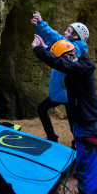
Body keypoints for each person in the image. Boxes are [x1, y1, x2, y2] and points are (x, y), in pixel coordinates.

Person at [32, 36, 97, 194]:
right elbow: (62, 58)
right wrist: (47, 47)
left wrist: (40, 51)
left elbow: (59, 62)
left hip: (86, 125)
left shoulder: (77, 69)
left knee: (86, 171)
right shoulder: (83, 62)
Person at [31, 11, 89, 145]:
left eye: (69, 31)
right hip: (60, 92)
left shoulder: (76, 49)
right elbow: (53, 45)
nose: (65, 31)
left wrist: (42, 24)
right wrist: (42, 36)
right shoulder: (66, 46)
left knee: (73, 121)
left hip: (69, 93)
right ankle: (52, 137)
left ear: (76, 35)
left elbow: (56, 39)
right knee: (42, 109)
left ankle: (78, 146)